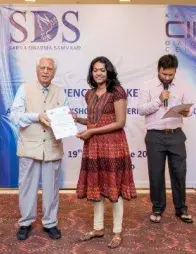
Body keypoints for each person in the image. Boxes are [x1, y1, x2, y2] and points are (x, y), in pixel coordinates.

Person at [74, 56, 137, 249]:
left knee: (114, 189)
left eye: (102, 69)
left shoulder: (117, 92)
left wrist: (92, 131)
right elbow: (94, 120)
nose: (98, 73)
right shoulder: (89, 94)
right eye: (95, 70)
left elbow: (120, 122)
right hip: (94, 146)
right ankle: (98, 228)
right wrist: (78, 119)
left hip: (113, 145)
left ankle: (117, 232)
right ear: (91, 73)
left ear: (109, 71)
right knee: (97, 188)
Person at [10, 55, 67, 241]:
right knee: (27, 186)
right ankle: (26, 222)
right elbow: (15, 116)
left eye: (49, 69)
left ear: (54, 72)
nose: (45, 71)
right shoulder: (24, 89)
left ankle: (50, 223)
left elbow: (63, 119)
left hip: (52, 146)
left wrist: (67, 120)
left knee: (51, 188)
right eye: (42, 68)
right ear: (36, 70)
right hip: (29, 146)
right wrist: (36, 116)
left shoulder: (60, 92)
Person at [138, 54, 194, 224]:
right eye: (164, 74)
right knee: (156, 174)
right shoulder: (146, 86)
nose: (167, 78)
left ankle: (181, 208)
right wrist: (159, 100)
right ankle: (157, 207)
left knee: (179, 173)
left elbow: (189, 108)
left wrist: (186, 111)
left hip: (176, 134)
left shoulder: (183, 86)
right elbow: (141, 109)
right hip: (155, 136)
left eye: (171, 74)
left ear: (175, 71)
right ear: (159, 70)